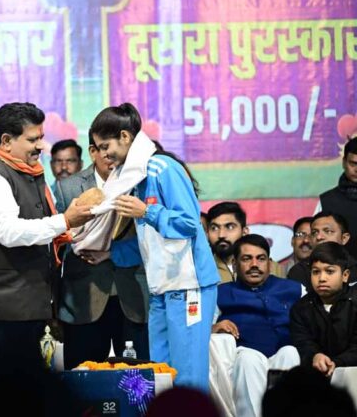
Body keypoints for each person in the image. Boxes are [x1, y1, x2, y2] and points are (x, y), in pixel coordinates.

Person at [0, 102, 93, 391]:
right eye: (33, 139)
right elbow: (9, 232)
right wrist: (65, 221)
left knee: (24, 397)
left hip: (25, 309)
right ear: (6, 141)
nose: (41, 146)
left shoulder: (29, 172)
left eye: (41, 137)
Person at [94, 102, 219, 391]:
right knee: (161, 376)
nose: (103, 155)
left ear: (125, 137)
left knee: (187, 378)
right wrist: (108, 253)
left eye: (105, 146)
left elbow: (189, 224)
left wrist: (147, 212)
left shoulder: (163, 168)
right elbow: (149, 243)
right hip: (160, 289)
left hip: (188, 286)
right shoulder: (133, 177)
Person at [55, 137, 149, 368]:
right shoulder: (68, 187)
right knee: (82, 378)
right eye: (106, 149)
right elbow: (56, 245)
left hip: (134, 295)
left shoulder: (140, 181)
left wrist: (112, 252)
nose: (113, 155)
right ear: (92, 151)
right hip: (83, 298)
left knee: (138, 379)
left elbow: (151, 238)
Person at [209, 234, 303, 417]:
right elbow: (201, 329)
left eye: (261, 259)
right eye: (247, 259)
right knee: (248, 358)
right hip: (243, 358)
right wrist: (214, 328)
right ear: (235, 263)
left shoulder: (295, 289)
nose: (254, 264)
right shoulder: (220, 293)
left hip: (282, 353)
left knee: (290, 351)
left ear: (269, 263)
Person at [290, 242, 357, 377]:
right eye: (316, 272)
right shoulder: (301, 308)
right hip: (316, 372)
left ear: (345, 275)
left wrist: (337, 362)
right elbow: (303, 342)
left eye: (329, 271)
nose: (321, 278)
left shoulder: (354, 303)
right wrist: (315, 355)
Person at [206, 201, 284, 281]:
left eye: (230, 227)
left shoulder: (273, 268)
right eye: (214, 228)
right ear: (207, 233)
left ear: (244, 232)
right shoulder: (201, 270)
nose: (221, 235)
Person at [287, 211, 357, 291]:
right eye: (314, 233)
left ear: (344, 238)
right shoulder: (299, 271)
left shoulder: (354, 268)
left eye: (328, 231)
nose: (319, 237)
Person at [317, 137, 357, 259]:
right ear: (344, 162)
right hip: (339, 268)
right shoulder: (326, 201)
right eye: (353, 163)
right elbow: (316, 240)